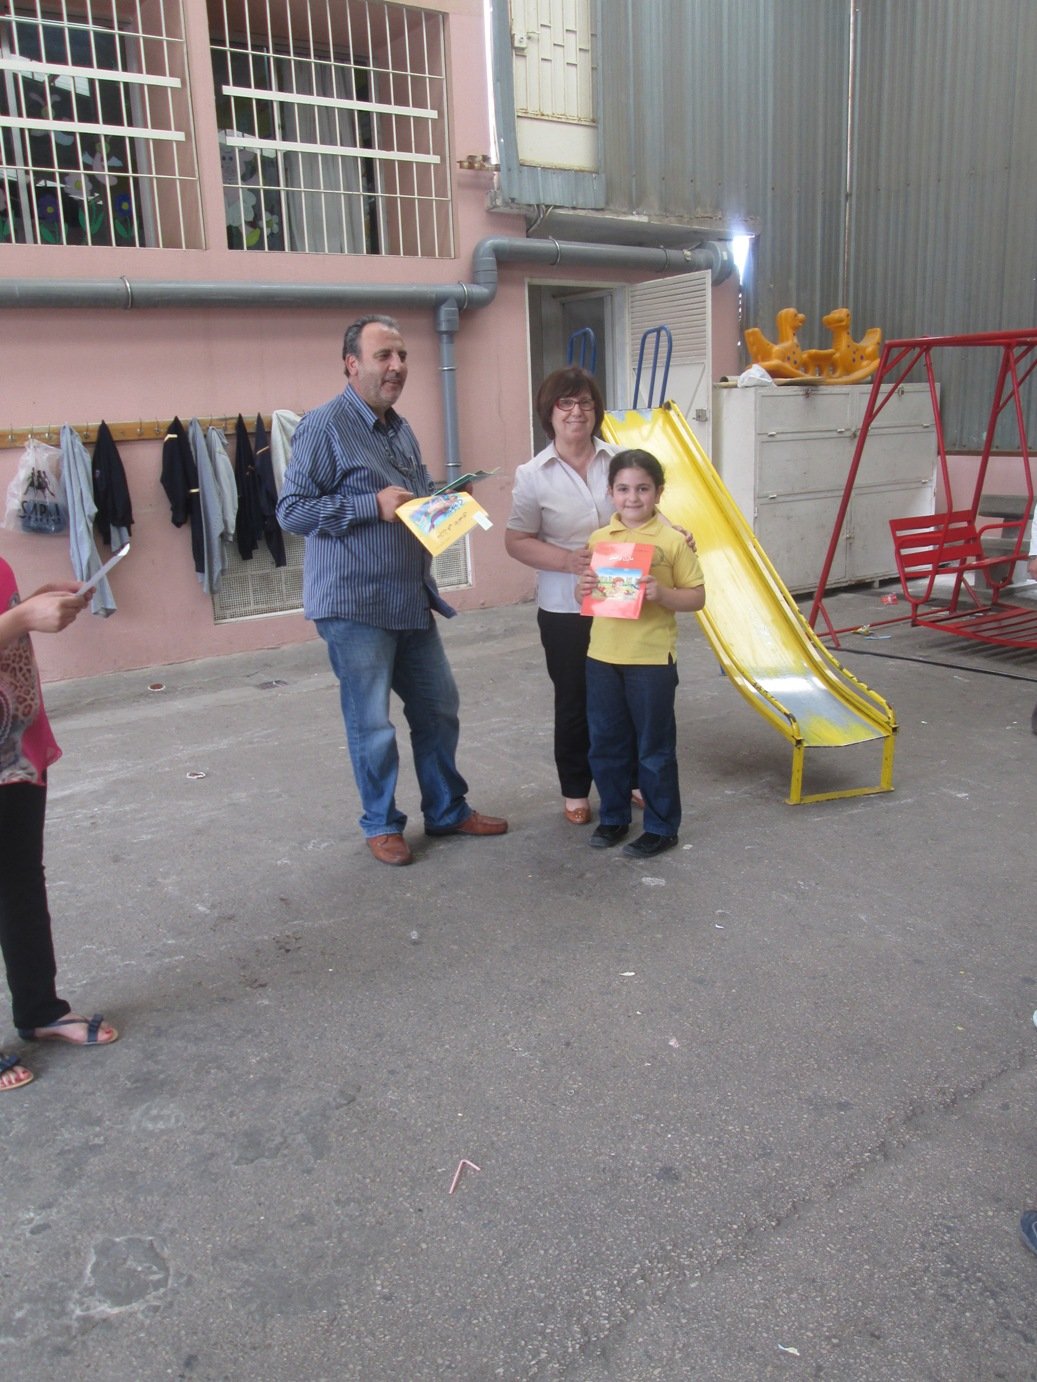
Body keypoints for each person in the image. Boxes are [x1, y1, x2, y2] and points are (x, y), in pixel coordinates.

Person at [276, 314, 507, 867]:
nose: (398, 366)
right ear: (351, 364)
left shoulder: (400, 428)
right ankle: (381, 823)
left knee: (438, 707)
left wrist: (446, 502)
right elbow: (291, 511)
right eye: (384, 356)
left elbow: (413, 500)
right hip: (355, 605)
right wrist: (368, 505)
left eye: (402, 356)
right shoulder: (323, 427)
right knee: (372, 722)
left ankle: (446, 809)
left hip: (409, 598)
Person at [1, 558, 118, 1092]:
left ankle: (40, 1009)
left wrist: (35, 601)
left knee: (21, 881)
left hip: (13, 745)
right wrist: (22, 618)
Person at [578, 449, 706, 860]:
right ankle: (614, 817)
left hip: (651, 661)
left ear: (658, 492)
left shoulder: (673, 541)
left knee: (654, 747)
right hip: (602, 657)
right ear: (610, 492)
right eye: (623, 489)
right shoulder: (599, 540)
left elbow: (697, 597)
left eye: (643, 489)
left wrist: (662, 594)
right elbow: (588, 594)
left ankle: (661, 827)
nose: (632, 498)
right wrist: (582, 589)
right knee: (605, 743)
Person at [505, 368, 618, 826]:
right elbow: (517, 541)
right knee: (575, 699)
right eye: (565, 403)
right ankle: (576, 789)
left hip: (621, 597)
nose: (576, 412)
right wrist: (567, 560)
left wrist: (676, 532)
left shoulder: (620, 460)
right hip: (565, 608)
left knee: (624, 694)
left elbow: (646, 511)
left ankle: (628, 779)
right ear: (549, 413)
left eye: (585, 402)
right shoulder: (533, 474)